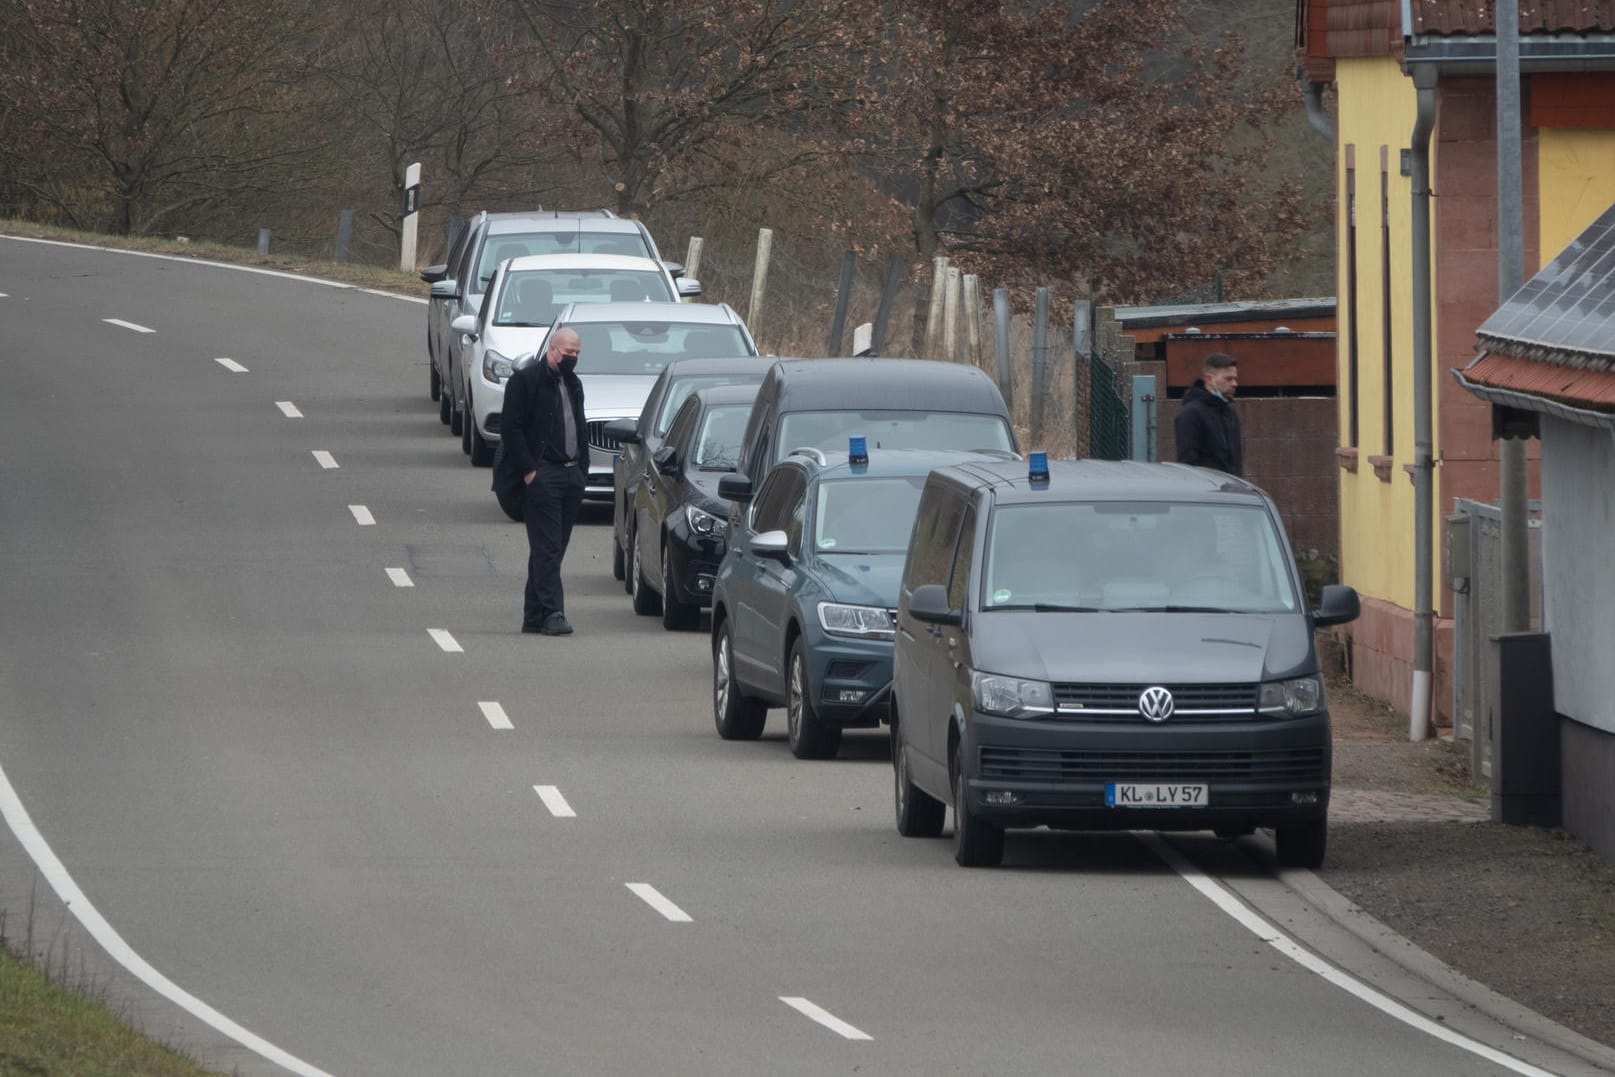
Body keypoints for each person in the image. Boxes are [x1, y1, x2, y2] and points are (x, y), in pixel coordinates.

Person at [493, 328, 586, 635]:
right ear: (552, 349)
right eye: (567, 352)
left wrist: (581, 470)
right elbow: (511, 427)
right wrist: (529, 470)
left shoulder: (573, 383)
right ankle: (552, 613)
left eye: (576, 353)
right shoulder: (526, 380)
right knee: (546, 547)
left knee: (554, 547)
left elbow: (579, 426)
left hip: (571, 474)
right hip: (543, 474)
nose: (572, 358)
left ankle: (533, 615)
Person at [1175, 352, 1243, 476]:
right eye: (1228, 379)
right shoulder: (1191, 414)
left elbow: (1236, 462)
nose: (1234, 384)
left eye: (1235, 379)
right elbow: (1187, 463)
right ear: (1209, 379)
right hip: (1206, 492)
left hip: (1231, 490)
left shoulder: (1229, 412)